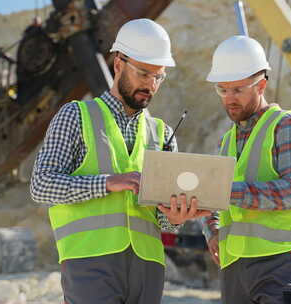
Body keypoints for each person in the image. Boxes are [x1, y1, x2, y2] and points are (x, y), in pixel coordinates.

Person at [30, 18, 209, 304]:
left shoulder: (162, 134)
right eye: (144, 73)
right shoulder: (76, 116)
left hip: (147, 267)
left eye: (158, 76)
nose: (151, 84)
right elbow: (41, 185)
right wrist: (108, 183)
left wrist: (176, 217)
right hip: (90, 262)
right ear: (118, 64)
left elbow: (163, 219)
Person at [202, 35, 291, 304]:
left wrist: (227, 192)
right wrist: (212, 229)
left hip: (282, 263)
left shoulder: (288, 126)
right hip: (235, 266)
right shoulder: (226, 142)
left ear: (261, 85)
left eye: (238, 90)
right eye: (222, 90)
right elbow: (213, 198)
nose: (229, 99)